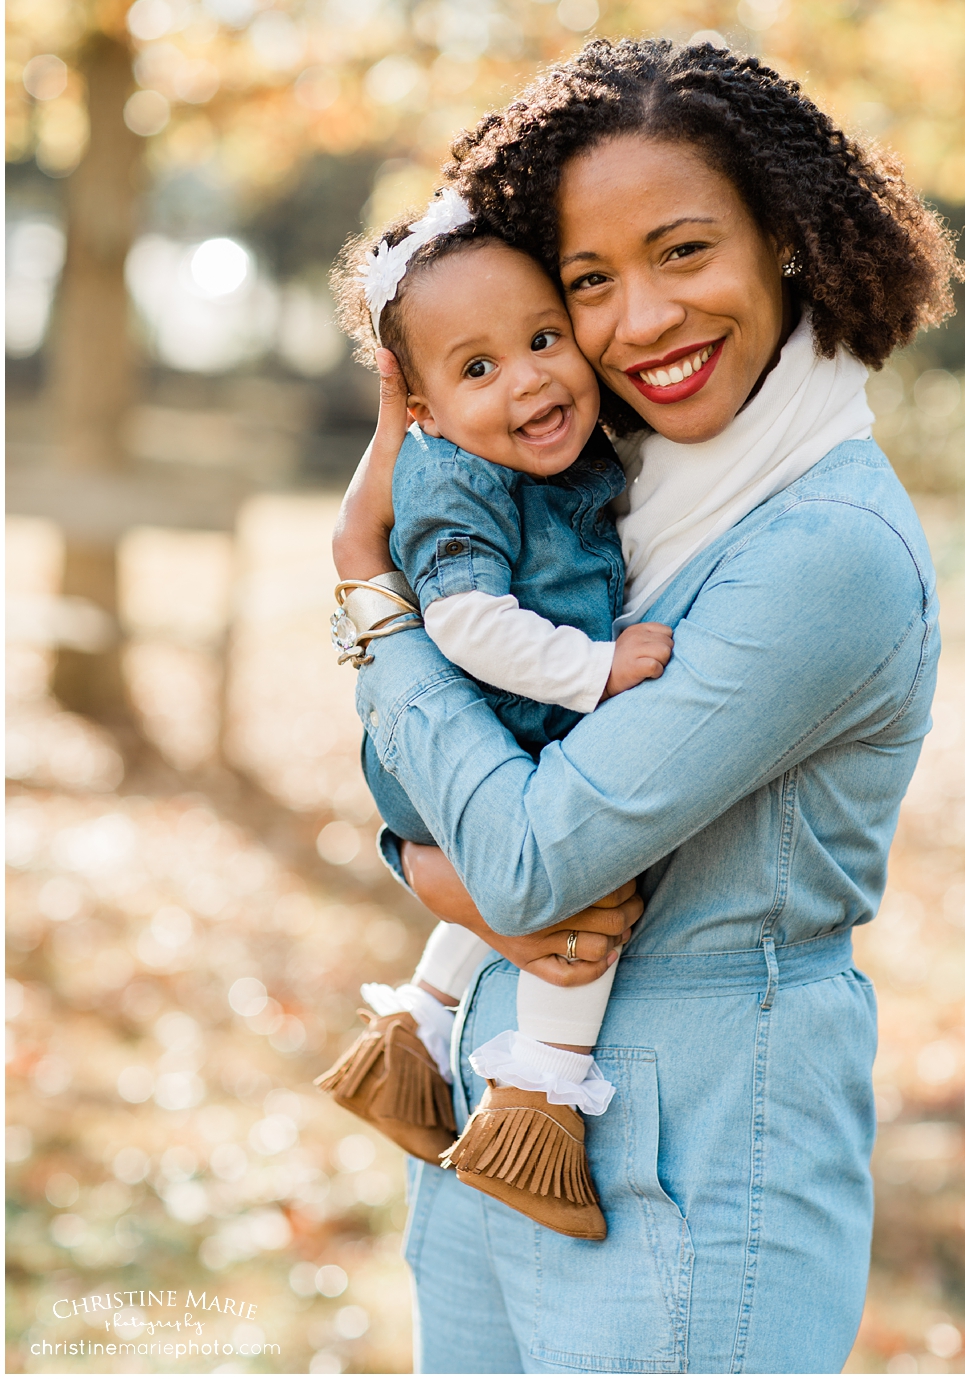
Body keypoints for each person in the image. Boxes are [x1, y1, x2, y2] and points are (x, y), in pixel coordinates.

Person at [330, 38, 963, 1374]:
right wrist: (427, 859)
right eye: (587, 282)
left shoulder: (824, 550)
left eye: (684, 252)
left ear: (785, 237)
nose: (641, 322)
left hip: (692, 1154)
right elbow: (474, 820)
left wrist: (368, 600)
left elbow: (528, 850)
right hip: (487, 1101)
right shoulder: (592, 496)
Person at [316, 190, 676, 1242]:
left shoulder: (527, 447)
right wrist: (597, 668)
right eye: (477, 368)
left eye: (542, 338)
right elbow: (469, 622)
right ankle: (541, 1103)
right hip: (468, 722)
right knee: (586, 882)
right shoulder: (457, 477)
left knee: (510, 880)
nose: (526, 378)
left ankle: (408, 1040)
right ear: (416, 408)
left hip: (462, 732)